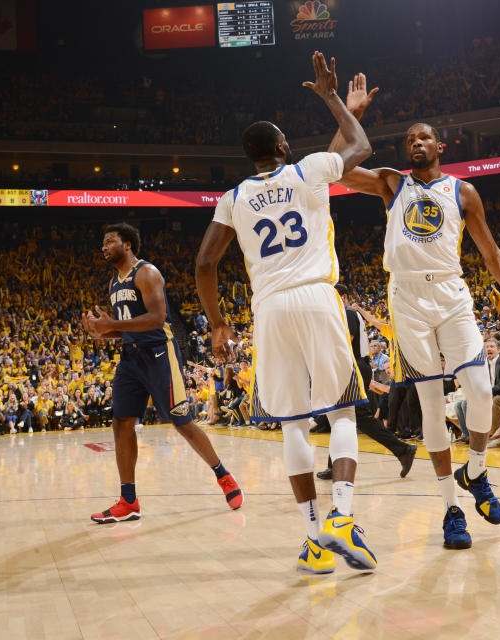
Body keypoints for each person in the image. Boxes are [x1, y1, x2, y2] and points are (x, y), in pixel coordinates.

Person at [333, 75, 500, 550]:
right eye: (409, 139)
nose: (415, 143)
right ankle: (452, 508)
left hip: (451, 292)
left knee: (479, 386)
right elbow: (336, 171)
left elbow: (492, 256)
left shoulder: (463, 192)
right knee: (431, 404)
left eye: (423, 137)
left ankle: (477, 471)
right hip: (406, 298)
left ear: (439, 145)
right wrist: (353, 116)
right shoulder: (392, 184)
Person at [195, 52, 376, 574]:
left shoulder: (233, 198)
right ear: (281, 147)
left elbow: (205, 263)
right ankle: (342, 517)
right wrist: (333, 99)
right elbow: (358, 147)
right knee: (341, 411)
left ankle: (313, 540)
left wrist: (219, 325)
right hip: (318, 296)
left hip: (269, 308)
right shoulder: (308, 170)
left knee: (292, 424)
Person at [82, 221, 243, 524]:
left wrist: (113, 325)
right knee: (121, 423)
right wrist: (105, 333)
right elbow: (130, 326)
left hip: (159, 355)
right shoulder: (115, 282)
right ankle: (128, 500)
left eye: (109, 240)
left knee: (181, 422)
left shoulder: (147, 273)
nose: (104, 247)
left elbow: (156, 319)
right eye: (103, 242)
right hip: (131, 359)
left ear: (127, 244)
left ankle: (224, 476)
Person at [315, 283, 417, 480]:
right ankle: (334, 464)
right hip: (350, 366)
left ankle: (403, 449)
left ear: (343, 296)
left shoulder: (349, 312)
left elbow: (347, 339)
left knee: (357, 416)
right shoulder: (342, 313)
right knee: (339, 414)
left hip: (354, 366)